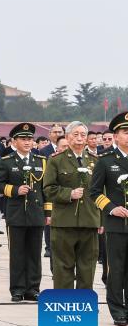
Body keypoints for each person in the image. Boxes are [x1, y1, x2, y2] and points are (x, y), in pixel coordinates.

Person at [42, 120, 101, 290]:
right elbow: (48, 189)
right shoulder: (56, 160)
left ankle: (83, 303)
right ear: (67, 137)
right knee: (63, 269)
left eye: (83, 135)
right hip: (64, 222)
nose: (80, 138)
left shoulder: (96, 161)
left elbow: (101, 192)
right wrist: (69, 194)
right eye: (75, 134)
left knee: (87, 269)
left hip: (89, 221)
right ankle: (64, 303)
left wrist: (101, 220)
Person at [0, 123, 46, 302]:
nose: (27, 142)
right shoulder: (6, 161)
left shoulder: (41, 161)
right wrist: (15, 190)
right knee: (17, 254)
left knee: (34, 253)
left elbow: (45, 189)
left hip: (36, 213)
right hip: (16, 214)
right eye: (23, 139)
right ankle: (17, 289)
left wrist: (48, 213)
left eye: (30, 139)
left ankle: (33, 289)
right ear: (14, 142)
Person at [89, 112, 128, 325]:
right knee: (116, 268)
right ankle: (117, 309)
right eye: (125, 132)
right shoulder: (105, 160)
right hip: (116, 223)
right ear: (115, 136)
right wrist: (112, 209)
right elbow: (94, 192)